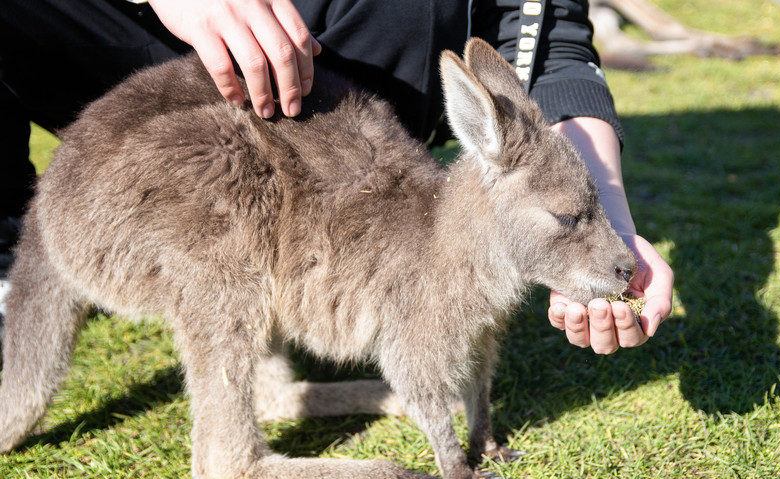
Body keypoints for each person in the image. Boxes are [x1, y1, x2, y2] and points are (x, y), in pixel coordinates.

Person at [0, 0, 673, 354]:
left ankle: (313, 304)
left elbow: (547, 34)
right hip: (142, 57)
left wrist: (600, 211)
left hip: (348, 117)